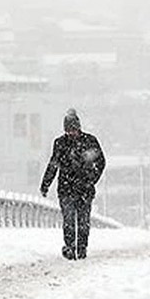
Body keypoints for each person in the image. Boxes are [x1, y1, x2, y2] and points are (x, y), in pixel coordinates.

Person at [40, 108, 106, 260]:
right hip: (66, 189)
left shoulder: (90, 141)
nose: (71, 133)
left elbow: (101, 162)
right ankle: (70, 247)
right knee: (69, 220)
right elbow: (53, 165)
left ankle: (82, 248)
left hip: (84, 189)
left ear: (79, 127)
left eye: (73, 130)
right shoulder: (60, 143)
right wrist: (46, 184)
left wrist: (91, 180)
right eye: (68, 130)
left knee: (83, 221)